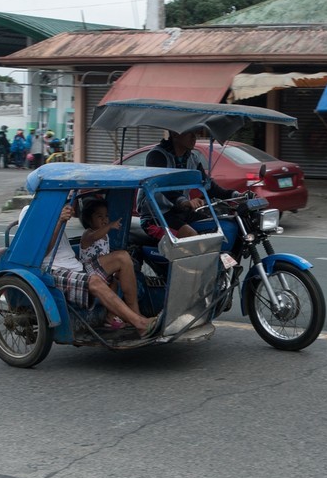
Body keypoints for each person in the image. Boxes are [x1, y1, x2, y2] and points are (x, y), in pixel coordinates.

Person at [46, 201, 158, 338]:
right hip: (55, 270)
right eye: (100, 216)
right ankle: (140, 324)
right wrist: (59, 221)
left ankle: (135, 314)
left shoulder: (55, 214)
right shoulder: (36, 215)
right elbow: (42, 251)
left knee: (123, 257)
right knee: (95, 281)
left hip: (77, 266)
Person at [141, 128, 237, 240]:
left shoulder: (192, 158)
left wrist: (235, 195)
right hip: (157, 214)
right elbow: (161, 185)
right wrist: (184, 201)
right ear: (175, 134)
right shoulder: (157, 156)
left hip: (181, 211)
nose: (194, 137)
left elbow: (208, 186)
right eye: (190, 133)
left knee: (217, 227)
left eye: (195, 134)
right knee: (191, 236)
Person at [79, 196, 141, 329]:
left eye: (106, 216)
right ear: (89, 219)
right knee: (121, 257)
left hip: (103, 270)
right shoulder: (87, 234)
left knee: (115, 283)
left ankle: (111, 316)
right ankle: (134, 313)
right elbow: (96, 236)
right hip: (90, 270)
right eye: (99, 216)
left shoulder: (105, 235)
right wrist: (110, 225)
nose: (104, 219)